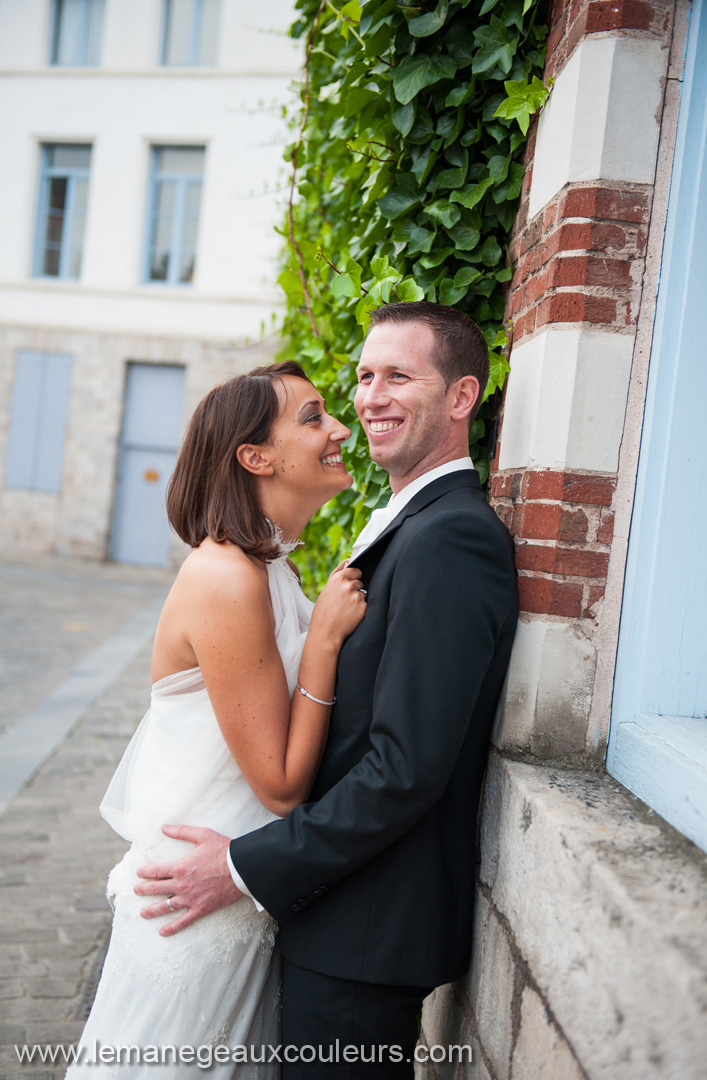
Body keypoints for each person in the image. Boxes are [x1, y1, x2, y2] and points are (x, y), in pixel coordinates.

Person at [135, 301, 519, 1077]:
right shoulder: (403, 527)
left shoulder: (453, 539)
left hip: (365, 935)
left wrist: (245, 867)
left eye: (398, 376)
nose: (367, 399)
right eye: (364, 376)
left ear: (460, 398)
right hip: (330, 915)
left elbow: (404, 767)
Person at [67, 361, 367, 1079]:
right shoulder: (226, 576)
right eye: (312, 417)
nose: (338, 429)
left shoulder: (269, 570)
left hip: (233, 901)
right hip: (194, 914)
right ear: (255, 457)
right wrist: (324, 641)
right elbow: (280, 784)